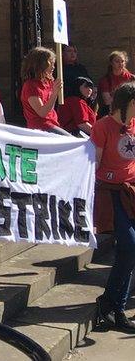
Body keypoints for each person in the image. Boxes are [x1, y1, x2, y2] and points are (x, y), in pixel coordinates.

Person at [91, 82, 135, 331]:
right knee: (129, 247)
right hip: (111, 194)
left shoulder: (133, 124)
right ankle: (111, 303)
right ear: (128, 103)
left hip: (132, 191)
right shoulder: (103, 127)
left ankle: (115, 307)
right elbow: (94, 164)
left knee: (129, 252)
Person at [19, 47, 64, 133]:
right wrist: (55, 93)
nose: (53, 67)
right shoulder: (30, 86)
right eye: (51, 63)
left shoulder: (48, 82)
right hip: (41, 128)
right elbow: (42, 113)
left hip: (52, 123)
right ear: (42, 64)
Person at [99, 51, 134, 117]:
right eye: (117, 61)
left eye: (122, 61)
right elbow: (107, 101)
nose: (121, 64)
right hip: (113, 113)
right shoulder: (106, 80)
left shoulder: (132, 78)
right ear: (111, 63)